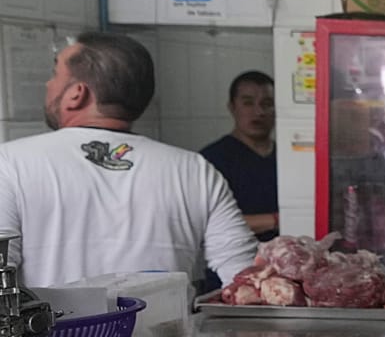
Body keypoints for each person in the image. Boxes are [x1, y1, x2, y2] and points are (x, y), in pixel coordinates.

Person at [0, 32, 257, 289]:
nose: (48, 84)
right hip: (168, 330)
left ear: (77, 93)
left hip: (54, 330)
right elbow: (246, 279)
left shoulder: (11, 163)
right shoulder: (194, 170)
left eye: (55, 74)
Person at [200, 71, 279, 241]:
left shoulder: (288, 159)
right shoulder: (210, 160)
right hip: (235, 264)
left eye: (267, 104)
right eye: (248, 103)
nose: (259, 112)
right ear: (232, 107)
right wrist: (276, 220)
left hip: (288, 260)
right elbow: (206, 222)